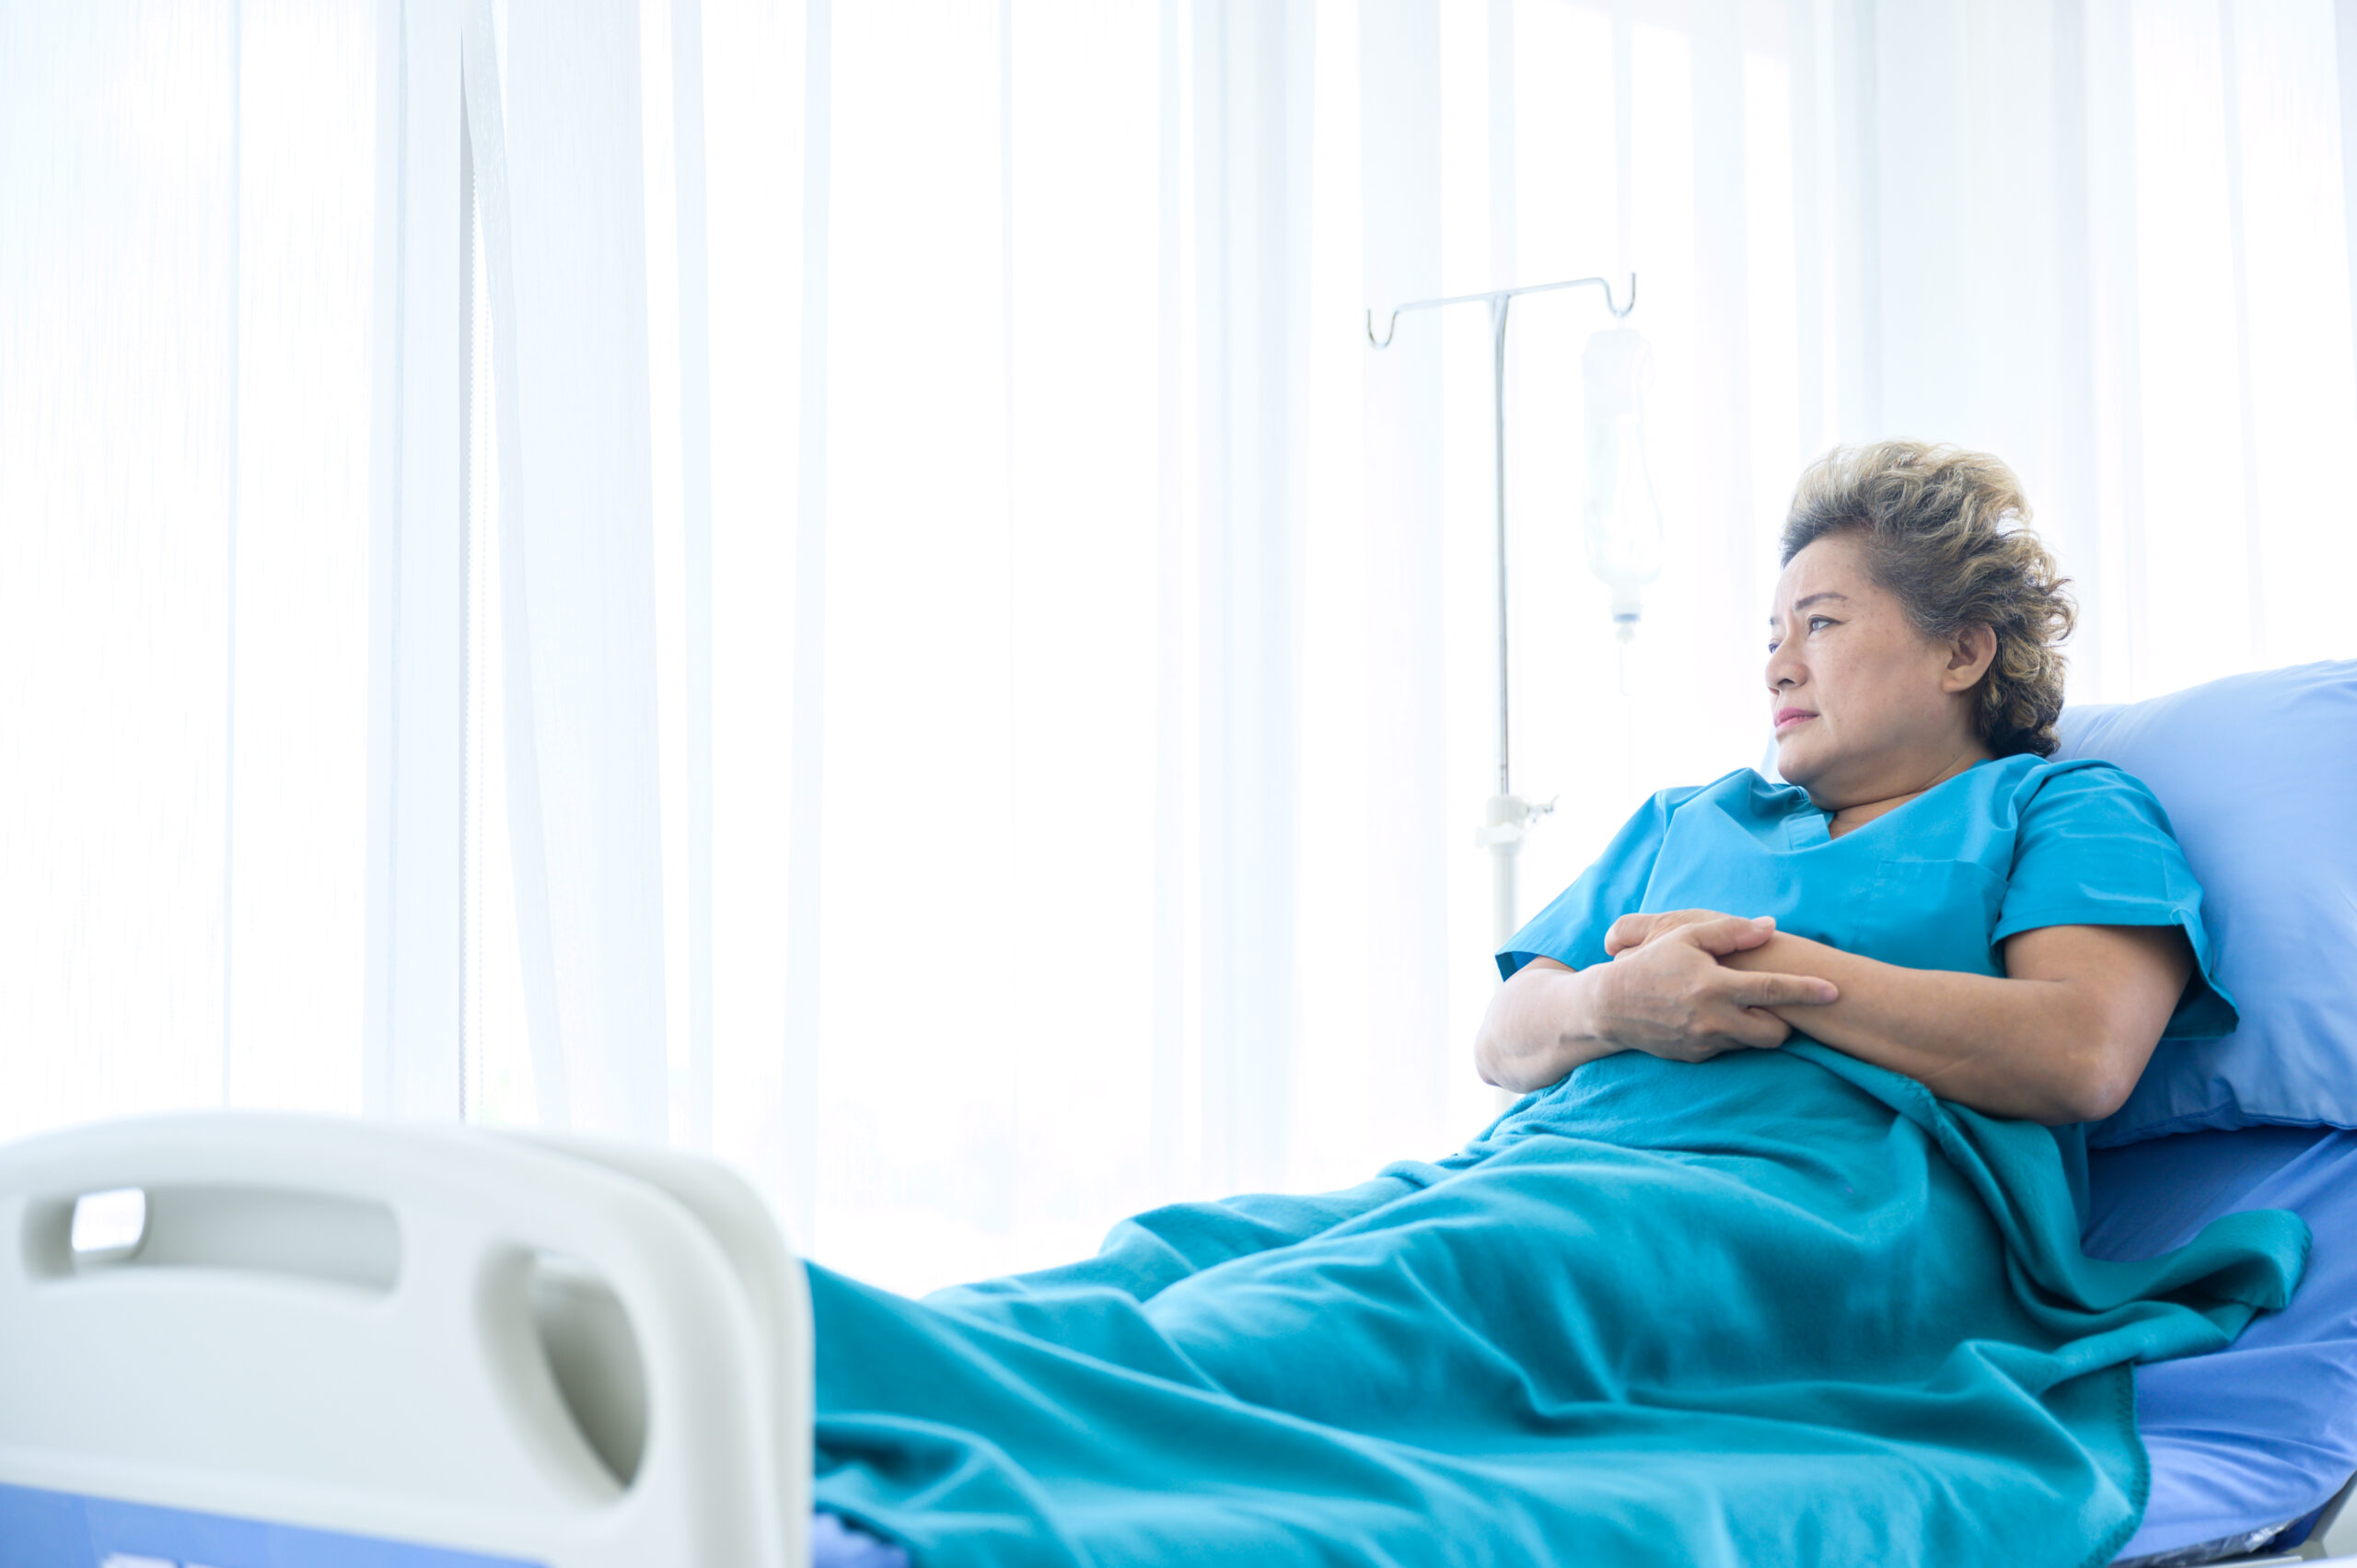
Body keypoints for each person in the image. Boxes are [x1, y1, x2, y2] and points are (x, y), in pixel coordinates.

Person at [807, 443, 2305, 1568]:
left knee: (1373, 1304)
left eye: (1825, 624)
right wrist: (1616, 1008)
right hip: (1554, 1160)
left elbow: (2082, 1053)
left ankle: (855, 1471)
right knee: (1191, 1254)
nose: (1776, 661)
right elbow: (1506, 1040)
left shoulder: (2058, 807)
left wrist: (1759, 981)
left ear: (1967, 649)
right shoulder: (1687, 815)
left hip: (1827, 1211)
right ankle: (763, 1361)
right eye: (1770, 631)